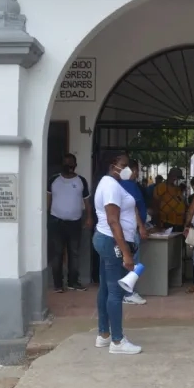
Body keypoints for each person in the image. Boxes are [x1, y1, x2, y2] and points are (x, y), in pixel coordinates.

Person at [92, 152, 143, 355]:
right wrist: (126, 253)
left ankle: (104, 334)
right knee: (116, 291)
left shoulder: (108, 183)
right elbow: (113, 221)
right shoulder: (111, 186)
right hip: (112, 241)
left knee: (105, 288)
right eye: (125, 164)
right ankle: (117, 341)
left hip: (106, 240)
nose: (128, 168)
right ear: (114, 165)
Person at [47, 153, 92, 292]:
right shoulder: (53, 180)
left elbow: (87, 202)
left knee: (74, 253)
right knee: (57, 253)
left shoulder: (81, 181)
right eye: (66, 163)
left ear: (75, 165)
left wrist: (89, 217)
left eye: (71, 163)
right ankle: (58, 285)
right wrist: (45, 217)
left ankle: (73, 282)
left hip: (75, 222)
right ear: (62, 165)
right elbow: (47, 199)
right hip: (56, 221)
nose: (69, 166)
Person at [118, 159, 148, 305]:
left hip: (127, 227)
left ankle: (125, 291)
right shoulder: (130, 185)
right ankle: (128, 293)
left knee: (126, 260)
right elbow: (134, 207)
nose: (137, 174)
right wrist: (141, 226)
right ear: (133, 171)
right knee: (132, 260)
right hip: (131, 228)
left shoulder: (122, 185)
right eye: (136, 170)